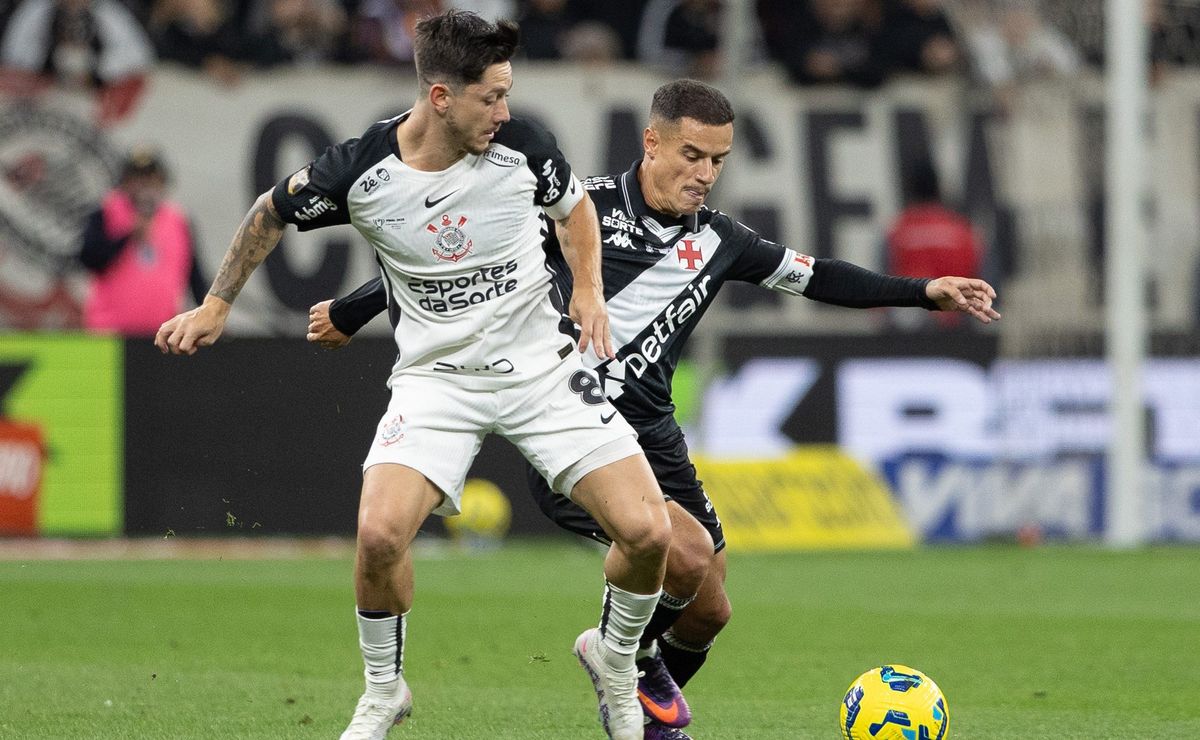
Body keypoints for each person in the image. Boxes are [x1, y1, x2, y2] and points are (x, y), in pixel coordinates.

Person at [309, 79, 1001, 739]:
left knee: (710, 609)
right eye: (692, 155)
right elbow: (453, 261)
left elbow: (818, 277)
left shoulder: (723, 240)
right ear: (653, 143)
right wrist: (349, 308)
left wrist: (923, 291)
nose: (704, 174)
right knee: (686, 554)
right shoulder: (581, 209)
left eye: (718, 161)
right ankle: (622, 665)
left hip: (654, 434)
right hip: (572, 428)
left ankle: (638, 689)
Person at [154, 11, 671, 740]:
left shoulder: (524, 147)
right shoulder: (360, 169)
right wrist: (216, 302)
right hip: (437, 381)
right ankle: (383, 690)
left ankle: (615, 661)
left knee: (650, 534)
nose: (506, 111)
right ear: (439, 97)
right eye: (490, 97)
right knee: (378, 536)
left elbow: (575, 210)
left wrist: (587, 288)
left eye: (507, 93)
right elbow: (269, 214)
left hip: (542, 370)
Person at [79, 147, 208, 336]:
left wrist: (207, 316)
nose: (144, 186)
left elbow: (195, 277)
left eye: (150, 179)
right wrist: (127, 237)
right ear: (125, 183)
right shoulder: (106, 213)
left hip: (163, 335)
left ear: (162, 182)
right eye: (137, 179)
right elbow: (90, 260)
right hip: (108, 333)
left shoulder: (179, 221)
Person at [884, 157, 986, 329]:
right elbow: (984, 279)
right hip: (957, 326)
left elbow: (882, 286)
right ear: (939, 188)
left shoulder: (897, 232)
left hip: (909, 331)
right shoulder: (963, 231)